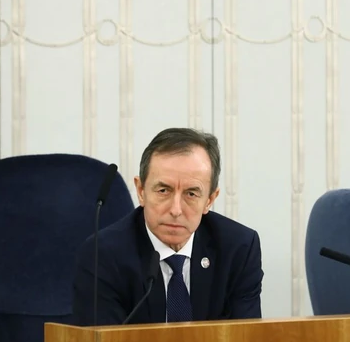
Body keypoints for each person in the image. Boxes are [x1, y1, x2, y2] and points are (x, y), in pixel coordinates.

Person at [72, 127, 264, 326]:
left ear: (209, 200)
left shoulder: (238, 249)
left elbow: (246, 340)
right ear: (141, 191)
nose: (176, 210)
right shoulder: (102, 255)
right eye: (164, 190)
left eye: (191, 194)